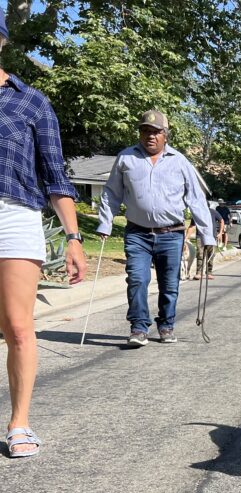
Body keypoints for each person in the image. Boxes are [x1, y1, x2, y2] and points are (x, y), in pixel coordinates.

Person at [0, 10, 86, 457]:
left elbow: (56, 177)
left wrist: (73, 238)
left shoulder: (30, 102)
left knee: (17, 325)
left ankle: (19, 423)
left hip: (14, 216)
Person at [97, 109, 213, 345]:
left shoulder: (180, 162)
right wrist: (105, 222)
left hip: (171, 233)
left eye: (155, 132)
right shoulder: (126, 158)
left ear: (165, 135)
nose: (150, 136)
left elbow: (196, 199)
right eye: (145, 131)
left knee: (169, 285)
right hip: (137, 232)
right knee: (137, 279)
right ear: (140, 133)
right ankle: (139, 327)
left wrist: (207, 234)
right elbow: (111, 193)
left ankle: (166, 325)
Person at [190, 201, 224, 280]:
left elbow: (221, 220)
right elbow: (192, 226)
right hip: (200, 236)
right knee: (200, 254)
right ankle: (198, 273)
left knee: (211, 254)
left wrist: (220, 232)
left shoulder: (213, 212)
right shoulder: (197, 213)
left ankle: (209, 272)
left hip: (212, 236)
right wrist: (186, 237)